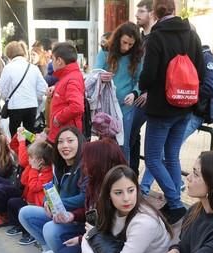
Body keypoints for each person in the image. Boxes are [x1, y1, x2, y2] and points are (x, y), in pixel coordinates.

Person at [139, 0, 204, 225]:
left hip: (161, 109)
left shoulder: (157, 37)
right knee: (172, 156)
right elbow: (201, 72)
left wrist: (144, 86)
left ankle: (175, 203)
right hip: (185, 107)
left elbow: (148, 76)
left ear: (155, 12)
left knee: (153, 158)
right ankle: (173, 201)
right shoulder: (192, 35)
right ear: (175, 10)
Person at [140, 43, 213, 195]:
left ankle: (151, 188)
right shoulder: (190, 56)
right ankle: (169, 189)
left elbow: (210, 87)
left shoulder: (205, 57)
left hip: (193, 113)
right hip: (183, 111)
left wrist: (186, 94)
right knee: (164, 154)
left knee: (162, 154)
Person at [17, 127, 87, 253]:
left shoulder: (84, 167)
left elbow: (84, 198)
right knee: (25, 212)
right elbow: (50, 190)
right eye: (60, 142)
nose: (65, 145)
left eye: (70, 141)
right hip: (58, 212)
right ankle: (48, 250)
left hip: (78, 218)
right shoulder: (58, 166)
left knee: (50, 228)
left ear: (80, 143)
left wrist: (58, 203)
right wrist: (46, 202)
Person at [0, 129, 54, 231]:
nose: (37, 134)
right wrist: (19, 135)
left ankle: (23, 229)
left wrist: (23, 143)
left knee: (2, 190)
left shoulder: (44, 166)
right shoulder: (34, 155)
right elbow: (14, 147)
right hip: (22, 188)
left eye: (41, 134)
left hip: (34, 202)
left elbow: (22, 161)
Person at [95, 22, 143, 163]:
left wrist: (135, 93)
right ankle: (104, 174)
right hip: (106, 105)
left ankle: (123, 175)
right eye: (124, 42)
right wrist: (101, 76)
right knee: (105, 142)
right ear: (118, 38)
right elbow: (95, 73)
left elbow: (139, 80)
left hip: (126, 106)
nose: (126, 47)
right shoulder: (105, 52)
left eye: (130, 44)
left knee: (123, 144)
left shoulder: (137, 56)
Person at [128, 0, 157, 174]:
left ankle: (131, 174)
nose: (137, 14)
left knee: (131, 133)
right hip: (134, 92)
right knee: (133, 133)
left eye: (141, 11)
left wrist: (149, 92)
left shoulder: (156, 37)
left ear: (152, 13)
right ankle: (132, 172)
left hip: (146, 95)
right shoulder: (139, 38)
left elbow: (160, 69)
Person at [0, 41, 47, 136]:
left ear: (9, 54)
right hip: (31, 105)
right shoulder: (33, 67)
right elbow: (43, 88)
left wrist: (7, 98)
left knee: (15, 133)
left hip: (15, 106)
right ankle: (30, 150)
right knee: (29, 132)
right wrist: (33, 96)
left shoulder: (8, 68)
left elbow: (2, 89)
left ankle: (17, 150)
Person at [46, 42, 85, 144]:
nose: (51, 63)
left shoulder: (72, 78)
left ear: (59, 61)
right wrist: (56, 89)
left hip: (66, 137)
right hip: (63, 134)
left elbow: (77, 106)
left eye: (52, 59)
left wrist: (58, 118)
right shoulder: (68, 76)